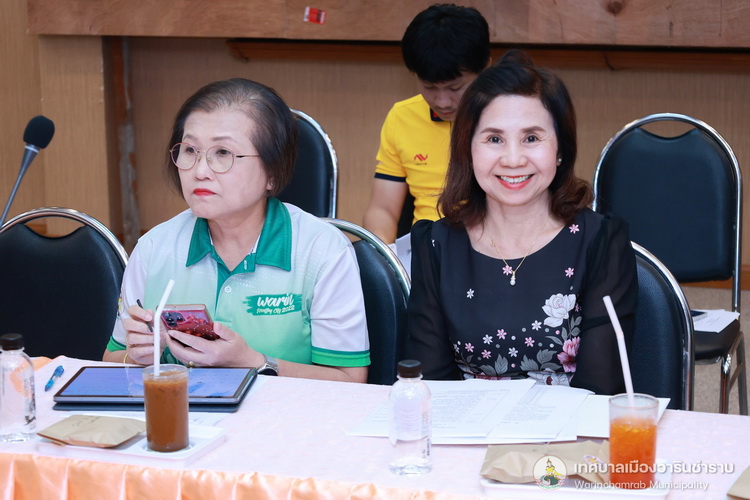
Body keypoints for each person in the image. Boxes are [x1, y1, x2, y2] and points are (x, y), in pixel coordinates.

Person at [103, 78, 370, 383]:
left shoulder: (322, 251)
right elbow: (111, 359)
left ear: (272, 172)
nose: (200, 171)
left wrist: (254, 363)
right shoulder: (154, 248)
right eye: (190, 150)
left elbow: (350, 380)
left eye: (223, 153)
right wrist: (137, 356)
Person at [405, 50, 637, 395]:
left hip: (569, 428)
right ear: (468, 149)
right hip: (463, 427)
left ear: (560, 150)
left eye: (531, 138)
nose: (513, 160)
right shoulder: (436, 244)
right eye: (494, 139)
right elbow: (430, 384)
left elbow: (600, 389)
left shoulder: (600, 240)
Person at [362, 3, 491, 248]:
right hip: (427, 252)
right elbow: (383, 208)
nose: (442, 102)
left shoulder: (510, 120)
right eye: (429, 87)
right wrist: (384, 253)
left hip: (494, 252)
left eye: (455, 88)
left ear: (485, 67)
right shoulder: (402, 118)